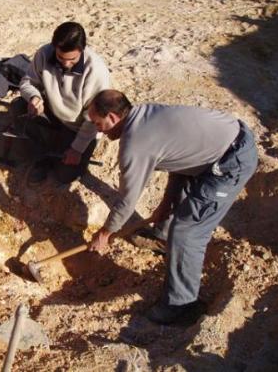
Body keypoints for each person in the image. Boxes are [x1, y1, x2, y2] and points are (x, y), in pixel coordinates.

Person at [87, 90, 258, 324]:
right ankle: (161, 236)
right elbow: (178, 161)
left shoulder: (135, 144)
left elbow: (127, 200)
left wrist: (105, 233)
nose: (98, 130)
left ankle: (181, 305)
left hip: (230, 162)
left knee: (187, 231)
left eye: (98, 124)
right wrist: (165, 205)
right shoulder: (145, 113)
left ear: (114, 118)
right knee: (176, 206)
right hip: (213, 149)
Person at [11, 21, 110, 184]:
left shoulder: (96, 71)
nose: (65, 64)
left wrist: (77, 149)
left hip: (80, 129)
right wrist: (33, 97)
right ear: (54, 46)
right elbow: (27, 82)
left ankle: (59, 147)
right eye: (60, 57)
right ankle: (41, 156)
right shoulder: (44, 53)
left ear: (82, 49)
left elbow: (94, 120)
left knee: (64, 175)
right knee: (18, 106)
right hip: (53, 114)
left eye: (72, 59)